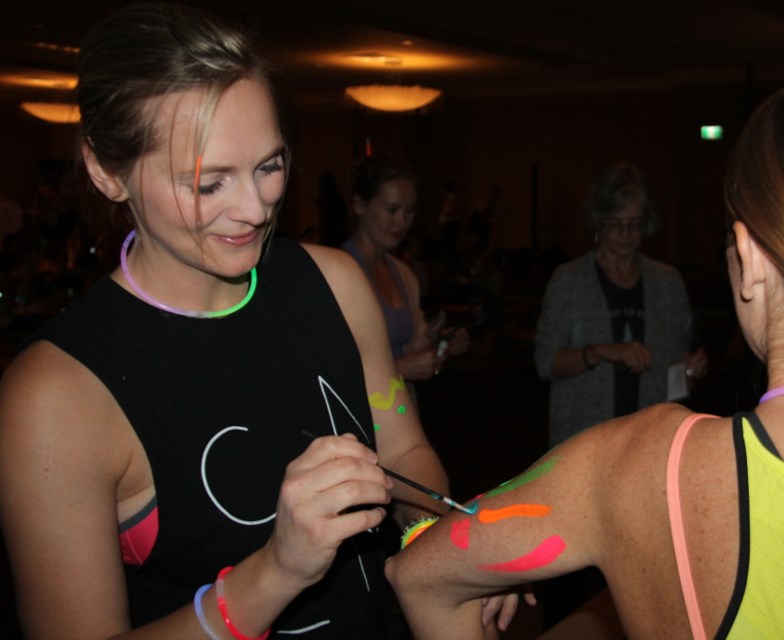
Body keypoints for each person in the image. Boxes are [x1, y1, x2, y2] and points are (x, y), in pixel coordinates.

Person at [385, 61, 784, 639]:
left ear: (750, 257)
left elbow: (421, 573)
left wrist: (425, 532)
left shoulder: (634, 466)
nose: (629, 235)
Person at [0, 5, 458, 638]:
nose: (255, 208)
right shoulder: (56, 396)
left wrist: (445, 553)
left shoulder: (335, 284)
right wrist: (277, 570)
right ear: (108, 172)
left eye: (269, 166)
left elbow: (405, 453)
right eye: (209, 183)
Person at [534, 163, 707, 451]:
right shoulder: (569, 281)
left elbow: (675, 372)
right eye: (615, 224)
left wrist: (689, 372)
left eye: (635, 223)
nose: (626, 234)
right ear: (597, 223)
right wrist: (600, 352)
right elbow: (545, 362)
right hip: (583, 441)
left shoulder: (667, 283)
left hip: (648, 442)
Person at [341, 153, 468, 382]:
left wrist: (439, 341)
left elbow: (407, 344)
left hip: (399, 411)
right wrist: (397, 370)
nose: (402, 222)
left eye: (409, 211)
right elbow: (325, 370)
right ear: (359, 204)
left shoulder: (403, 273)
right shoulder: (336, 273)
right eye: (392, 210)